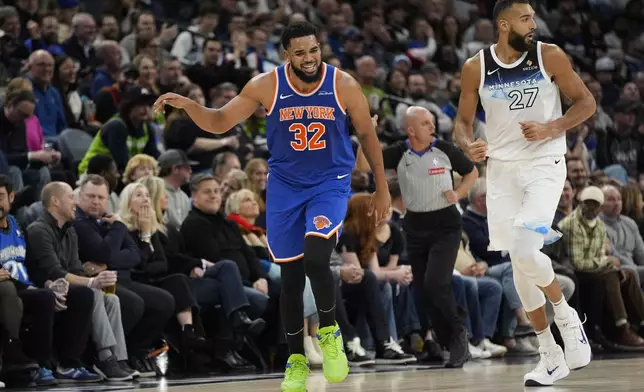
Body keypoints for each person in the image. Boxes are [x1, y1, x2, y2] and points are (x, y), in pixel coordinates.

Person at [154, 21, 391, 391]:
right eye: (300, 53)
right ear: (286, 54)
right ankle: (296, 358)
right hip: (284, 186)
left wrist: (381, 186)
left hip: (329, 182)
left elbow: (366, 133)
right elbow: (219, 121)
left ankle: (329, 334)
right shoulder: (266, 85)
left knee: (316, 257)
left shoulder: (343, 84)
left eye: (314, 50)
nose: (309, 58)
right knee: (292, 279)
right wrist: (188, 106)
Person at [453, 0, 596, 386]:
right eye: (525, 18)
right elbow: (462, 124)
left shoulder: (549, 56)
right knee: (519, 265)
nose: (534, 23)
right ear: (503, 24)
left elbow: (587, 102)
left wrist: (553, 128)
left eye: (533, 16)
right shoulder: (475, 67)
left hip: (544, 165)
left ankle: (567, 317)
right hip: (500, 172)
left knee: (525, 251)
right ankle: (549, 354)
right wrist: (469, 146)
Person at [355, 106, 478, 368]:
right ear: (410, 129)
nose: (431, 127)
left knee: (436, 283)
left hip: (446, 225)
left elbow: (472, 172)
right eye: (425, 123)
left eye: (431, 122)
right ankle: (449, 339)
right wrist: (368, 134)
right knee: (423, 290)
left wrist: (460, 192)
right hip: (415, 227)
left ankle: (458, 334)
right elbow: (363, 164)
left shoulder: (445, 149)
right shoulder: (400, 152)